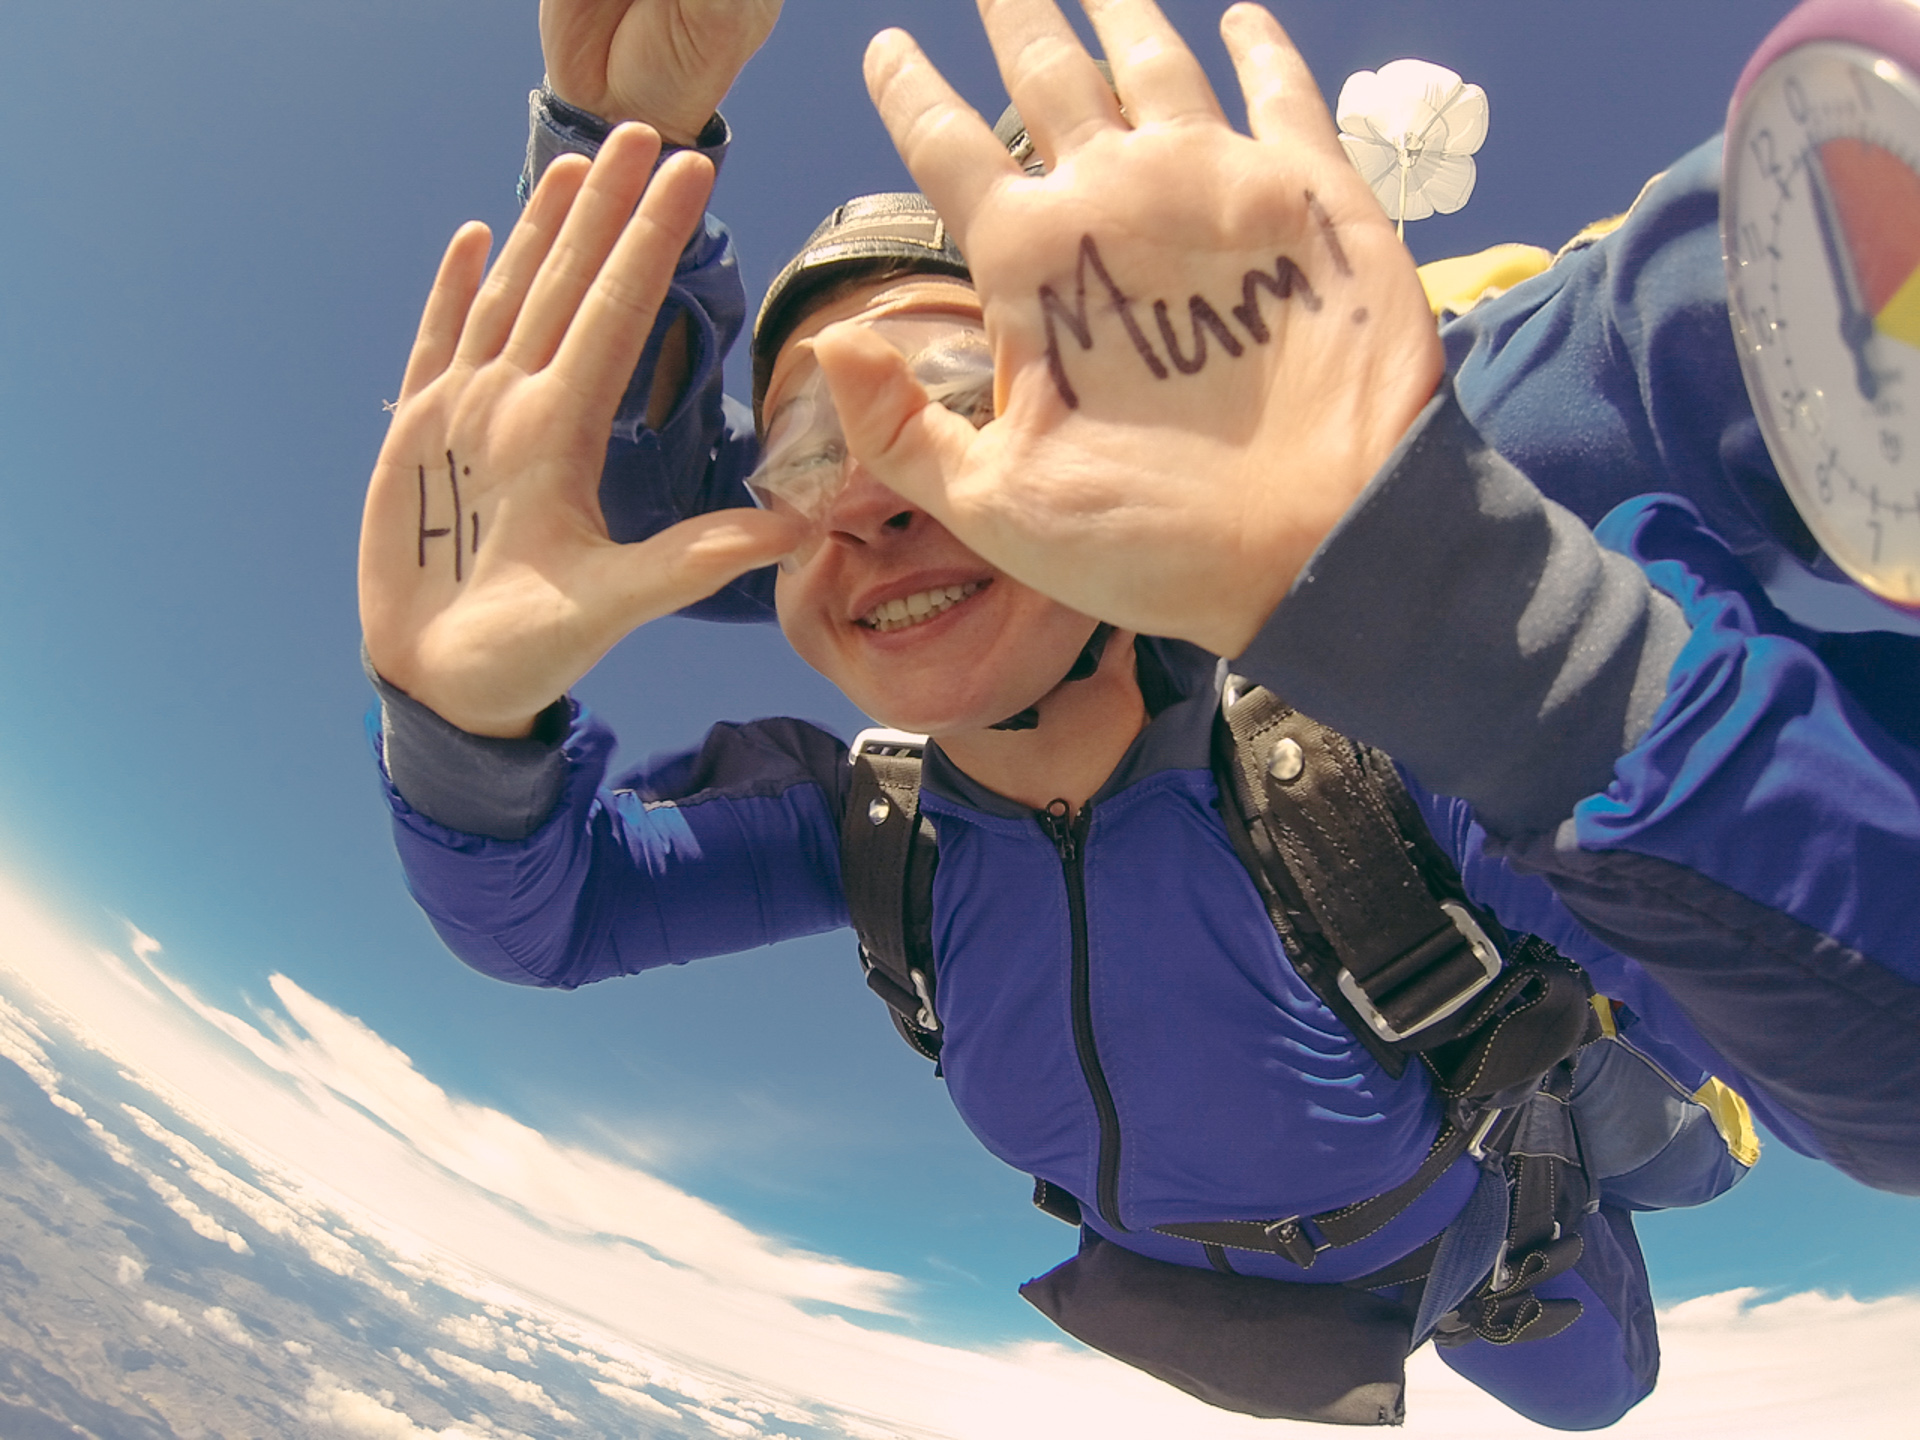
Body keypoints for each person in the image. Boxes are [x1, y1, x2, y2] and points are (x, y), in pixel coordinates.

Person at [356, 0, 1908, 1426]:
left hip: (1504, 1227)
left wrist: (1496, 638)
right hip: (1249, 1315)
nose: (878, 502)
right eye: (807, 458)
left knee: (1599, 1389)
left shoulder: (1371, 772)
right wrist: (458, 721)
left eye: (957, 403)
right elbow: (546, 918)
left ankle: (1621, 1148)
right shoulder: (878, 840)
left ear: (1105, 473)